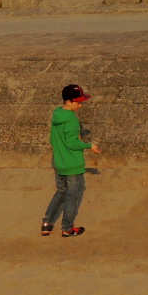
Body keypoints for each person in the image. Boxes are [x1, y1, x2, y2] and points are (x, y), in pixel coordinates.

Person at [41, 84, 98, 238]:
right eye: (78, 102)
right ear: (69, 101)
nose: (80, 105)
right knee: (73, 196)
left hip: (59, 163)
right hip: (72, 165)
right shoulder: (72, 120)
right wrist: (89, 145)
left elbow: (55, 139)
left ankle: (47, 223)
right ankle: (67, 228)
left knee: (60, 192)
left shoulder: (57, 114)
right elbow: (72, 143)